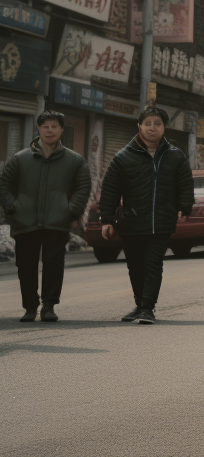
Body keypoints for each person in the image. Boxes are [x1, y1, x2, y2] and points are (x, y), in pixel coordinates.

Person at [98, 105, 194, 324]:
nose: (152, 128)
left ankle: (147, 307)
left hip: (162, 220)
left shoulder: (175, 156)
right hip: (131, 221)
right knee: (134, 265)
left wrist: (185, 206)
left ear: (164, 127)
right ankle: (140, 304)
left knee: (152, 264)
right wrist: (107, 220)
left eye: (157, 124)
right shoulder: (123, 157)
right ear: (139, 126)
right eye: (148, 123)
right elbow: (110, 189)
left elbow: (185, 184)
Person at [0, 111, 91, 322]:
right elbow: (4, 185)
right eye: (45, 126)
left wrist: (71, 210)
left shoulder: (75, 160)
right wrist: (12, 208)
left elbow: (82, 187)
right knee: (25, 265)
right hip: (25, 220)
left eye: (54, 126)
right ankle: (30, 306)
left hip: (57, 221)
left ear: (61, 130)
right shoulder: (20, 158)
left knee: (54, 264)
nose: (49, 130)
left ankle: (49, 306)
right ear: (39, 129)